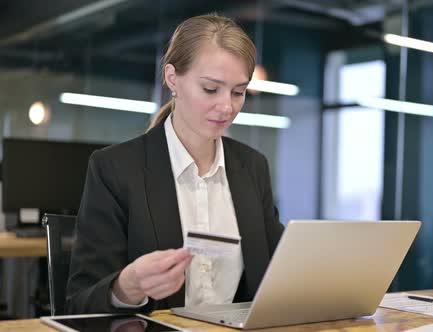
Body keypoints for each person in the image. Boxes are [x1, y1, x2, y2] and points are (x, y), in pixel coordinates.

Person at [66, 14, 284, 314]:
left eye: (238, 92)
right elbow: (80, 301)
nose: (227, 107)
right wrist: (126, 287)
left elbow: (279, 274)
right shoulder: (114, 169)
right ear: (172, 79)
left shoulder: (253, 167)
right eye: (210, 89)